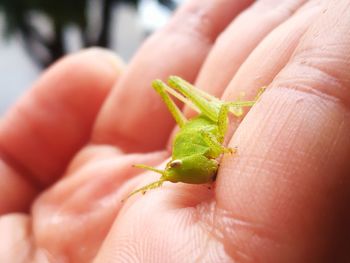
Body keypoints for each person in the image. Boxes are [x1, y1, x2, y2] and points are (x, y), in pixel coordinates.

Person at [1, 0, 349, 262]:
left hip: (205, 122)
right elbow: (178, 169)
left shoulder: (202, 144)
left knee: (220, 110)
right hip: (191, 141)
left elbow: (219, 120)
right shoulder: (182, 168)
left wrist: (218, 143)